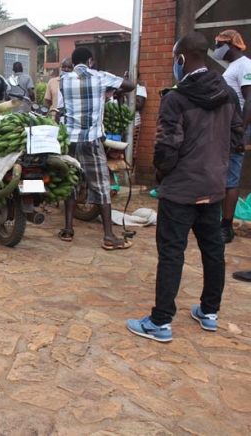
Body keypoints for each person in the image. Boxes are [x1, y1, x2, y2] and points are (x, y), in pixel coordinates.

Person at [127, 32, 244, 342]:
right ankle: (209, 312)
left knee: (171, 254)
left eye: (174, 59)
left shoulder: (175, 98)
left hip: (180, 191)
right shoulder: (228, 94)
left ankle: (160, 322)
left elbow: (166, 149)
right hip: (213, 188)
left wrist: (161, 176)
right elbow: (236, 139)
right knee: (213, 251)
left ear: (181, 59)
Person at [57, 47, 135, 249]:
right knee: (101, 186)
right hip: (92, 140)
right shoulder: (101, 77)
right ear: (90, 61)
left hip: (71, 140)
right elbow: (130, 85)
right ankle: (109, 237)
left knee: (71, 182)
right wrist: (114, 89)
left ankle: (68, 229)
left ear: (73, 63)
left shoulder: (64, 79)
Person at [211, 30, 251, 244]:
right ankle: (220, 222)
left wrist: (240, 133)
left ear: (233, 45)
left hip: (237, 128)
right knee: (223, 174)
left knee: (231, 177)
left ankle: (226, 227)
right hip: (229, 127)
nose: (217, 48)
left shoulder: (245, 65)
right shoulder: (233, 67)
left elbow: (250, 100)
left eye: (220, 44)